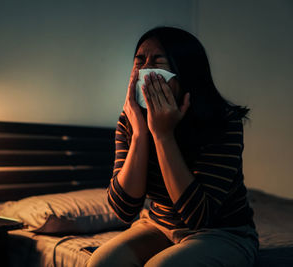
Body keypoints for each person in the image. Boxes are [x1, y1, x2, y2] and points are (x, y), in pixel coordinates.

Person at [86, 26, 259, 267]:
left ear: (184, 71)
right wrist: (139, 133)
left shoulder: (223, 120)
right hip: (158, 226)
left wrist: (163, 135)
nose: (145, 68)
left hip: (222, 233)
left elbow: (198, 216)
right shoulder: (131, 119)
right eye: (139, 60)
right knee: (101, 262)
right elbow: (124, 210)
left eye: (158, 61)